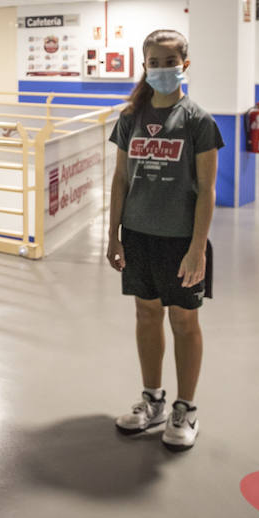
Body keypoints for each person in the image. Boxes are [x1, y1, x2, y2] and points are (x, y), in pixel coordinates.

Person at [106, 29, 221, 453]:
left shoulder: (198, 121)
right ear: (145, 66)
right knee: (146, 314)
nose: (161, 70)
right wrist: (113, 233)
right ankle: (153, 400)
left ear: (184, 66)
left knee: (184, 321)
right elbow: (120, 178)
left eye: (169, 62)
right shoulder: (130, 118)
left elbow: (207, 190)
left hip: (180, 240)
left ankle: (185, 408)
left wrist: (197, 248)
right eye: (153, 62)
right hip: (138, 235)